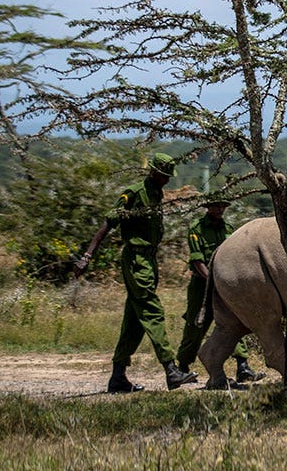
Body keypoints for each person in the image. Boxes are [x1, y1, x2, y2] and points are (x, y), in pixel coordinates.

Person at [74, 152, 198, 393]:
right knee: (152, 311)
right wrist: (87, 256)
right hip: (136, 259)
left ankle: (118, 377)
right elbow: (109, 222)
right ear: (153, 172)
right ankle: (171, 370)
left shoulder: (156, 192)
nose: (167, 180)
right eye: (164, 175)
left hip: (149, 259)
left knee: (134, 320)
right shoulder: (133, 193)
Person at [175, 199, 264, 384]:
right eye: (216, 206)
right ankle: (183, 366)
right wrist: (213, 279)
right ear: (208, 207)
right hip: (202, 284)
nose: (220, 209)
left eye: (223, 206)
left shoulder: (229, 228)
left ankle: (242, 366)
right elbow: (197, 260)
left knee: (234, 321)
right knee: (196, 324)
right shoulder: (197, 228)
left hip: (225, 283)